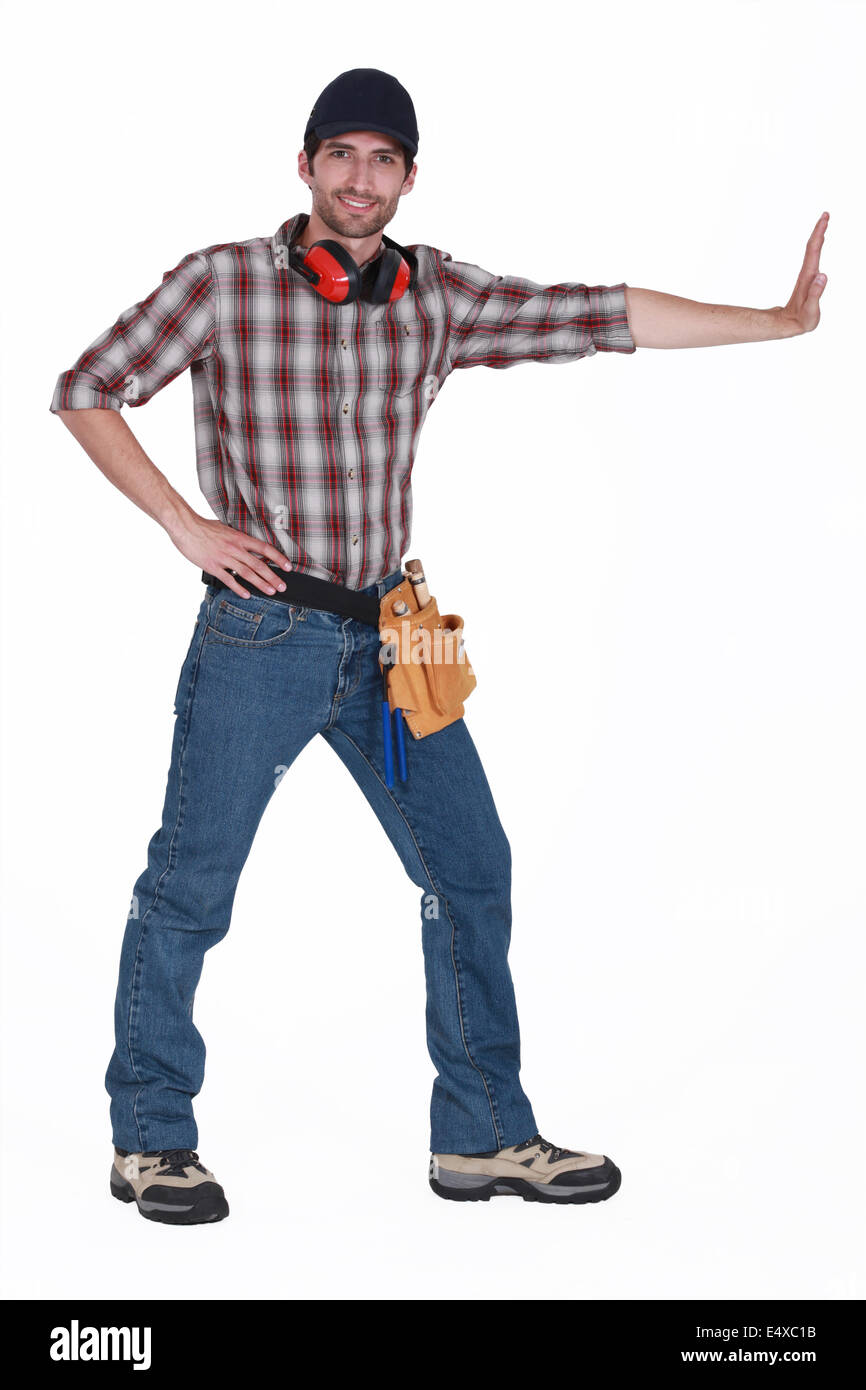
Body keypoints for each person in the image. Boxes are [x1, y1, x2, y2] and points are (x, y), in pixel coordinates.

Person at [50, 68, 829, 1226]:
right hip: (261, 632)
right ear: (304, 165)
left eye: (384, 160)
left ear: (408, 177)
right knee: (189, 889)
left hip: (393, 636)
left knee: (470, 867)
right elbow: (86, 387)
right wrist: (182, 521)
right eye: (341, 155)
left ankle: (480, 1137)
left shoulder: (440, 296)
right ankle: (152, 1140)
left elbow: (599, 314)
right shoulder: (219, 283)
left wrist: (773, 321)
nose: (361, 179)